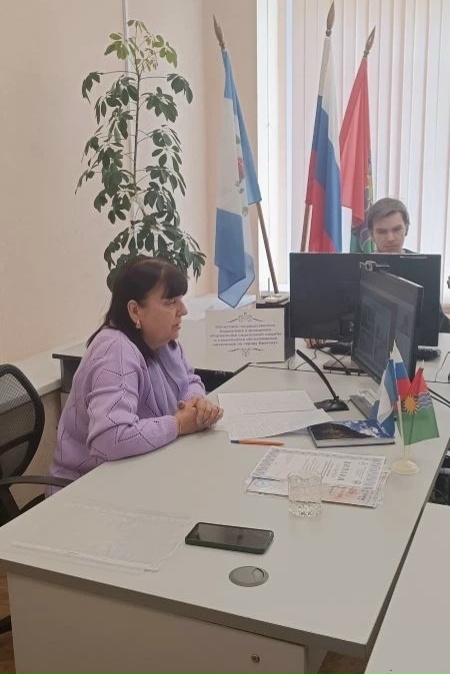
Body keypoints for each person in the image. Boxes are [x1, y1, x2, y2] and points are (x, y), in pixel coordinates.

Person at [48, 256, 223, 488]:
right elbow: (110, 438)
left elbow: (190, 379)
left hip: (144, 469)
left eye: (180, 299)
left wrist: (196, 402)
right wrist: (178, 424)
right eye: (170, 302)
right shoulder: (115, 351)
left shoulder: (164, 342)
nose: (183, 310)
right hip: (87, 487)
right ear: (135, 311)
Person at [367, 197, 450, 332]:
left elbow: (439, 324)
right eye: (382, 232)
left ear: (406, 229)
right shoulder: (359, 266)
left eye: (397, 229)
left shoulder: (423, 266)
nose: (390, 238)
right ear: (372, 234)